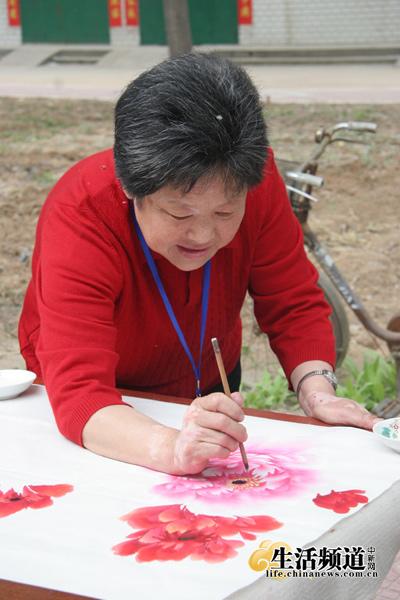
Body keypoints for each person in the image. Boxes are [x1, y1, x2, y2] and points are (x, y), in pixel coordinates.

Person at [18, 53, 379, 476]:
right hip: (105, 414)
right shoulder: (82, 213)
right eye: (180, 214)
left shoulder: (253, 179)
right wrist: (170, 447)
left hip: (207, 377)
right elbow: (81, 392)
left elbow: (292, 300)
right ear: (131, 188)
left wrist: (318, 391)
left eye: (226, 213)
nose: (204, 236)